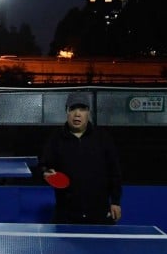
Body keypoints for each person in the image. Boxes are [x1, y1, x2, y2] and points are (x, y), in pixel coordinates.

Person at [39, 91, 122, 224]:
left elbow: (115, 172)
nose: (77, 114)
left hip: (99, 212)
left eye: (82, 109)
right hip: (66, 214)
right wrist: (46, 172)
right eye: (73, 109)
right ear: (67, 111)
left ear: (88, 112)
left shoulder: (103, 138)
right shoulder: (55, 138)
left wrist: (116, 202)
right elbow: (44, 165)